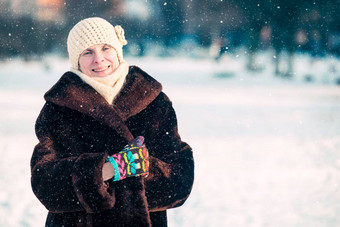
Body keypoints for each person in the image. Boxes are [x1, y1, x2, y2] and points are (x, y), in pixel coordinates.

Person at [31, 17, 194, 227]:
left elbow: (180, 181)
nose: (99, 59)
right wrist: (106, 170)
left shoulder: (153, 101)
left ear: (117, 49)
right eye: (87, 52)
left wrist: (142, 167)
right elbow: (45, 184)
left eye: (105, 48)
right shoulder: (58, 107)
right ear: (76, 60)